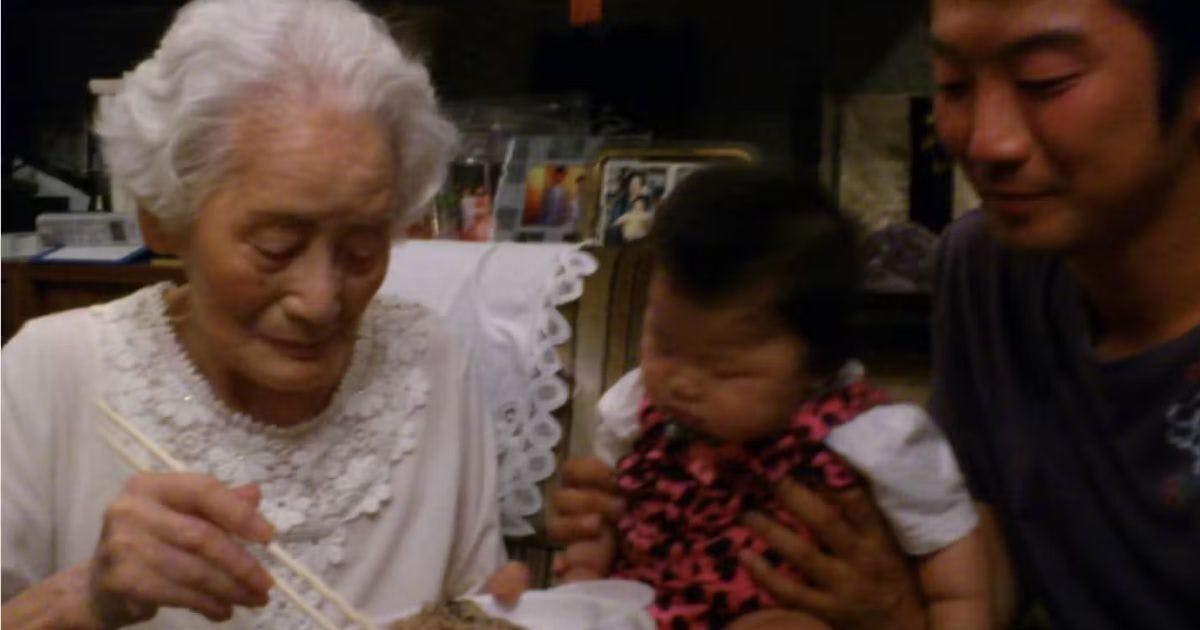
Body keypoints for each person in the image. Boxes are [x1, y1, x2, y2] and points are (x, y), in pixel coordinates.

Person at [554, 0, 1200, 628]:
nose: (986, 141)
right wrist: (610, 537)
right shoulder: (991, 265)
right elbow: (986, 550)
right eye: (953, 84)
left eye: (1045, 80)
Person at [0, 1, 520, 628]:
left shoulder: (430, 361)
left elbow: (481, 602)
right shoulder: (51, 373)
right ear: (165, 219)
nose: (320, 301)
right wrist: (83, 598)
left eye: (362, 248)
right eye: (277, 246)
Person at [554, 165, 990, 629]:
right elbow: (604, 516)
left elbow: (958, 581)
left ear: (817, 366)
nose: (682, 383)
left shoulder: (873, 439)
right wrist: (585, 572)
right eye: (663, 345)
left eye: (724, 369)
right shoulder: (637, 411)